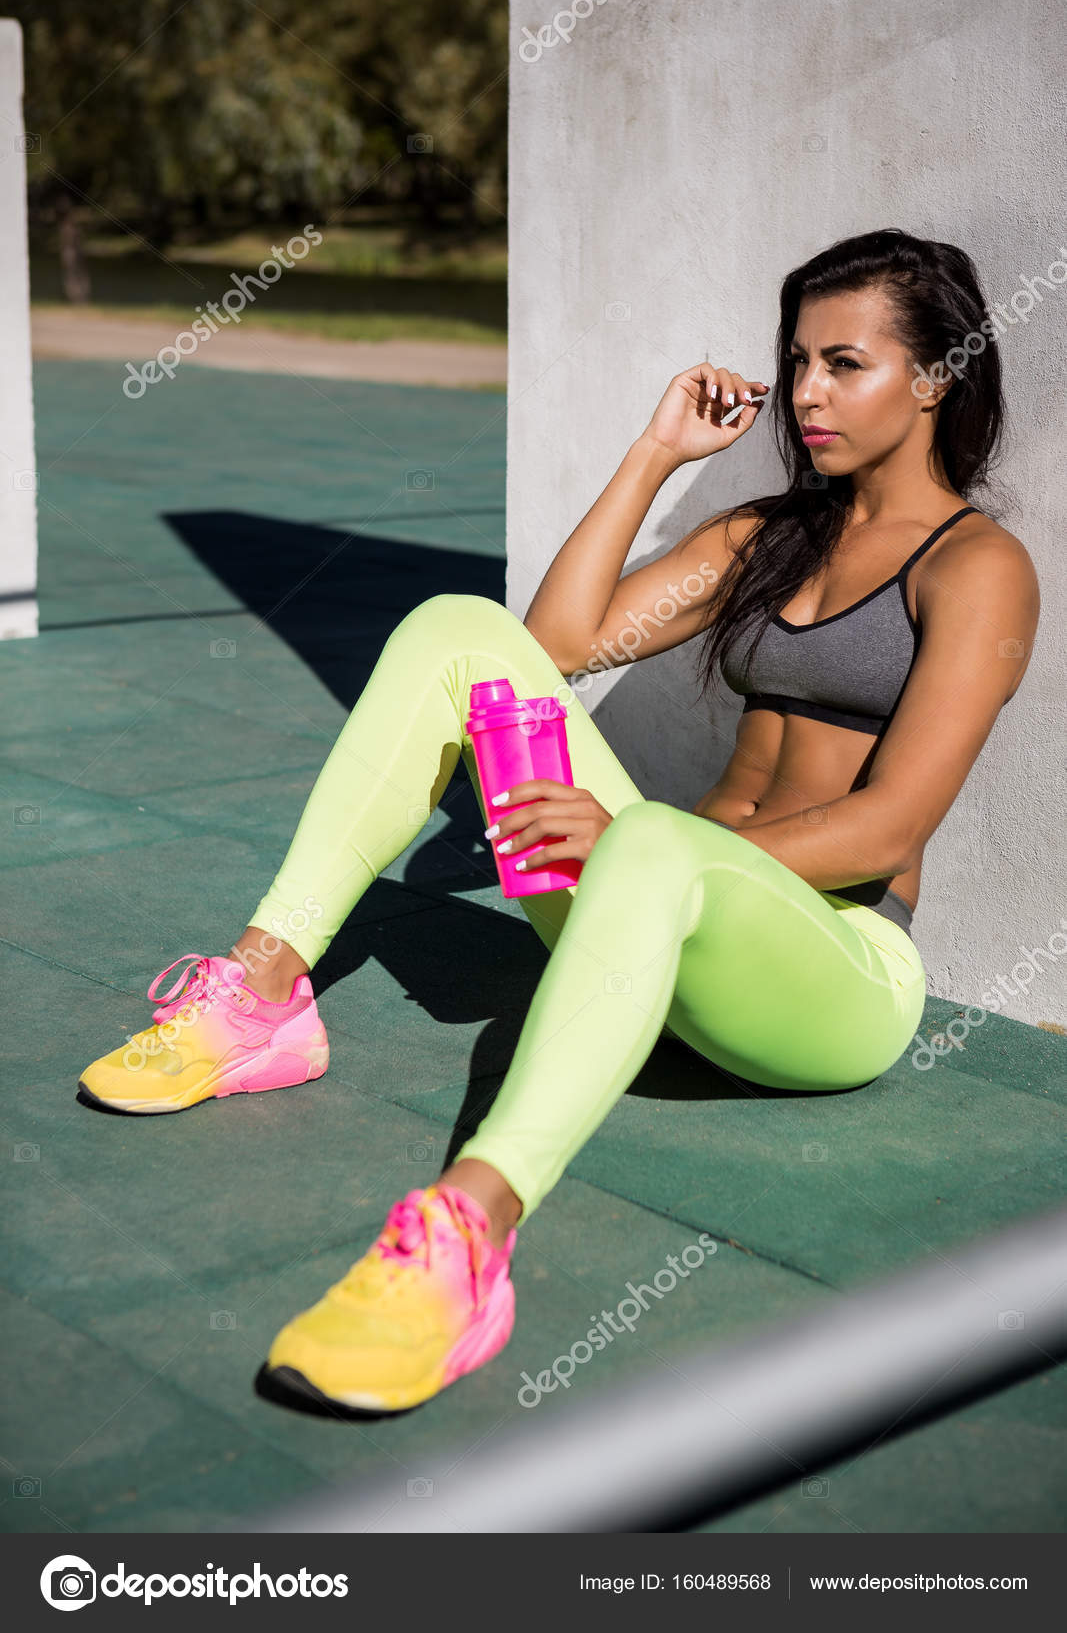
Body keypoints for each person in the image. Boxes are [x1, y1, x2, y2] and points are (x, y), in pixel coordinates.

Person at [78, 228, 1040, 1417]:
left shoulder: (978, 565)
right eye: (794, 360)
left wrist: (636, 840)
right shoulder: (768, 534)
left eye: (843, 363)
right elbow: (558, 644)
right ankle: (263, 992)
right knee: (453, 630)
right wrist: (652, 453)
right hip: (656, 916)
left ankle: (465, 1239)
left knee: (647, 835)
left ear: (937, 376)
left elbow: (890, 823)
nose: (803, 392)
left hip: (831, 975)